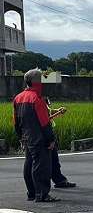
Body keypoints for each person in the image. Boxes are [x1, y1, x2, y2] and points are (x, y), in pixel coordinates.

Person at [13, 69, 59, 202]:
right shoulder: (36, 99)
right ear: (36, 82)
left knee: (29, 164)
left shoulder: (18, 97)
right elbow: (44, 122)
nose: (43, 83)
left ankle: (32, 193)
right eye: (41, 80)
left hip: (27, 137)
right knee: (42, 166)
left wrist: (20, 136)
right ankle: (42, 194)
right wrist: (50, 139)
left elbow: (16, 121)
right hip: (39, 137)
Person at [45, 97, 76, 189]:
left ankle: (59, 181)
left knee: (54, 160)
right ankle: (40, 189)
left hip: (46, 133)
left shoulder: (42, 97)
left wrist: (58, 111)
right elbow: (43, 117)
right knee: (43, 163)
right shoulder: (37, 97)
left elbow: (48, 112)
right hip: (43, 134)